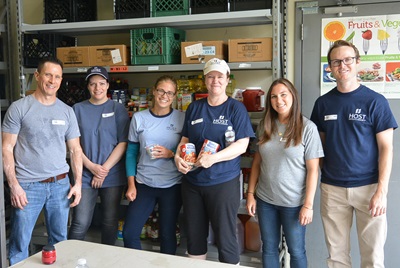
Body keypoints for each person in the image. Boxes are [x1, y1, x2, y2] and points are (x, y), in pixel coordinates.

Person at [310, 40, 397, 268]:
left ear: (357, 62)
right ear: (330, 67)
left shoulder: (375, 102)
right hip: (333, 190)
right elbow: (319, 146)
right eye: (336, 61)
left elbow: (386, 148)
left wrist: (381, 191)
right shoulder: (323, 104)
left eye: (348, 59)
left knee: (373, 257)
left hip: (369, 189)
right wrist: (327, 175)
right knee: (336, 257)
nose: (343, 65)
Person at [2, 57, 83, 265]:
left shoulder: (67, 111)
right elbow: (7, 148)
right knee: (20, 242)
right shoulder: (19, 108)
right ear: (37, 76)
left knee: (60, 242)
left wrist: (79, 184)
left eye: (57, 77)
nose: (52, 80)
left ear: (61, 80)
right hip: (28, 187)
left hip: (60, 185)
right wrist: (14, 186)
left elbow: (75, 150)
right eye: (48, 75)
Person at [174, 58, 254, 264]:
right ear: (205, 80)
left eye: (219, 76)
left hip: (222, 182)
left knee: (226, 239)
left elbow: (242, 145)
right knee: (195, 237)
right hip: (192, 184)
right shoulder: (194, 107)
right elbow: (185, 139)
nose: (215, 80)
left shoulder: (236, 109)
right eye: (211, 76)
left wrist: (214, 158)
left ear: (227, 80)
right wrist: (177, 156)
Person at [246, 78, 324, 268]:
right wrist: (250, 194)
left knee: (296, 251)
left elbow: (314, 170)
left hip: (294, 204)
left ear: (293, 97)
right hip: (266, 202)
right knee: (269, 248)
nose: (278, 100)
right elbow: (257, 161)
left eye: (283, 95)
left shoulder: (308, 128)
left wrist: (308, 205)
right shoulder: (266, 125)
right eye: (273, 96)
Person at [123, 75, 184, 255]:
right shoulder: (139, 118)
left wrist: (171, 154)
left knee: (167, 235)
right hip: (144, 184)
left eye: (170, 93)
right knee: (130, 233)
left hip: (172, 185)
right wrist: (131, 184)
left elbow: (188, 152)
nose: (165, 95)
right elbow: (131, 153)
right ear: (154, 91)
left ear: (174, 96)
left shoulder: (182, 118)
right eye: (161, 91)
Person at [68, 66, 130, 245]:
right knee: (80, 222)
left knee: (110, 222)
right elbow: (74, 145)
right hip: (85, 174)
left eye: (102, 83)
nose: (98, 88)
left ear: (108, 85)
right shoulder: (77, 109)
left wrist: (103, 170)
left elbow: (123, 142)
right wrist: (92, 167)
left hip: (111, 174)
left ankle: (107, 262)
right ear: (87, 86)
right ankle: (70, 259)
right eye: (93, 84)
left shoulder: (117, 108)